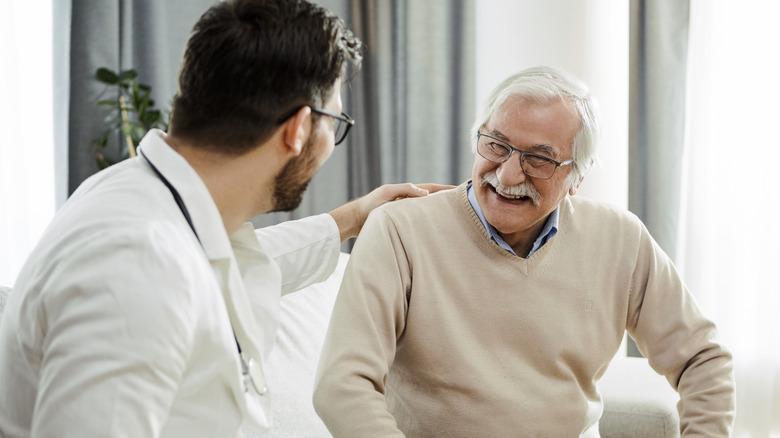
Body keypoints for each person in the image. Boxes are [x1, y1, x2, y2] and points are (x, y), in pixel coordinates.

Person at [0, 0, 447, 437]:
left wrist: (352, 218)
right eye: (336, 122)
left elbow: (232, 260)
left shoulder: (144, 197)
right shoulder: (137, 265)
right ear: (298, 129)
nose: (331, 143)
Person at [313, 66, 736, 437]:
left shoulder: (619, 238)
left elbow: (702, 359)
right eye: (496, 145)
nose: (508, 173)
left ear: (578, 177)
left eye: (538, 159)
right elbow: (343, 384)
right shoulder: (399, 230)